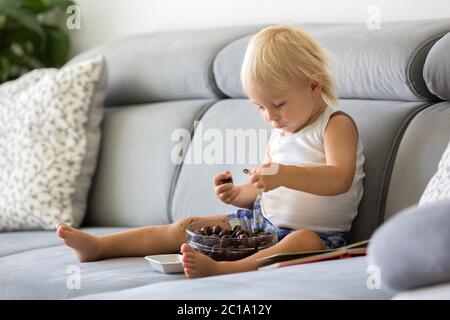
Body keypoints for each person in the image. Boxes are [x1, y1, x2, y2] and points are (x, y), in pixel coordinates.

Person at [56, 25, 365, 278]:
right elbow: (262, 190)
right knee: (186, 226)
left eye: (278, 104)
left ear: (313, 87)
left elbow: (339, 178)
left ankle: (224, 269)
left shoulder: (334, 125)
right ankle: (99, 246)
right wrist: (237, 193)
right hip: (261, 224)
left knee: (302, 240)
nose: (270, 116)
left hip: (318, 236)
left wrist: (283, 175)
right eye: (260, 107)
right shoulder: (280, 133)